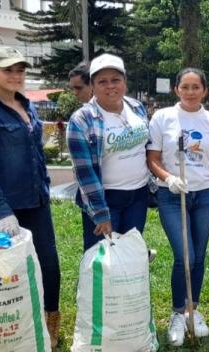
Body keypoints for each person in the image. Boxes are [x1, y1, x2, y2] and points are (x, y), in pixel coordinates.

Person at [0, 47, 62, 348]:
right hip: (1, 209)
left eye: (20, 70)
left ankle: (50, 322)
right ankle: (8, 329)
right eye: (8, 70)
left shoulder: (28, 106)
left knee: (48, 264)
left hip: (36, 202)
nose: (16, 76)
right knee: (4, 271)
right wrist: (2, 210)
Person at [147, 68, 209, 346]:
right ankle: (177, 314)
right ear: (176, 90)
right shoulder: (162, 118)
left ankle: (193, 310)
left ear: (205, 90)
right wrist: (167, 178)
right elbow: (152, 158)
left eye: (196, 87)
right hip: (172, 196)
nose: (191, 92)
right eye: (185, 87)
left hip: (205, 195)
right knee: (185, 255)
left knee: (199, 256)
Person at [66, 53, 152, 251]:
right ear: (92, 86)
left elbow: (146, 147)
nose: (110, 86)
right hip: (105, 198)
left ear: (125, 82)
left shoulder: (136, 107)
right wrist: (100, 212)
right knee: (102, 257)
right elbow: (84, 171)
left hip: (138, 195)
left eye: (116, 80)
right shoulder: (82, 120)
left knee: (130, 251)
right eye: (102, 81)